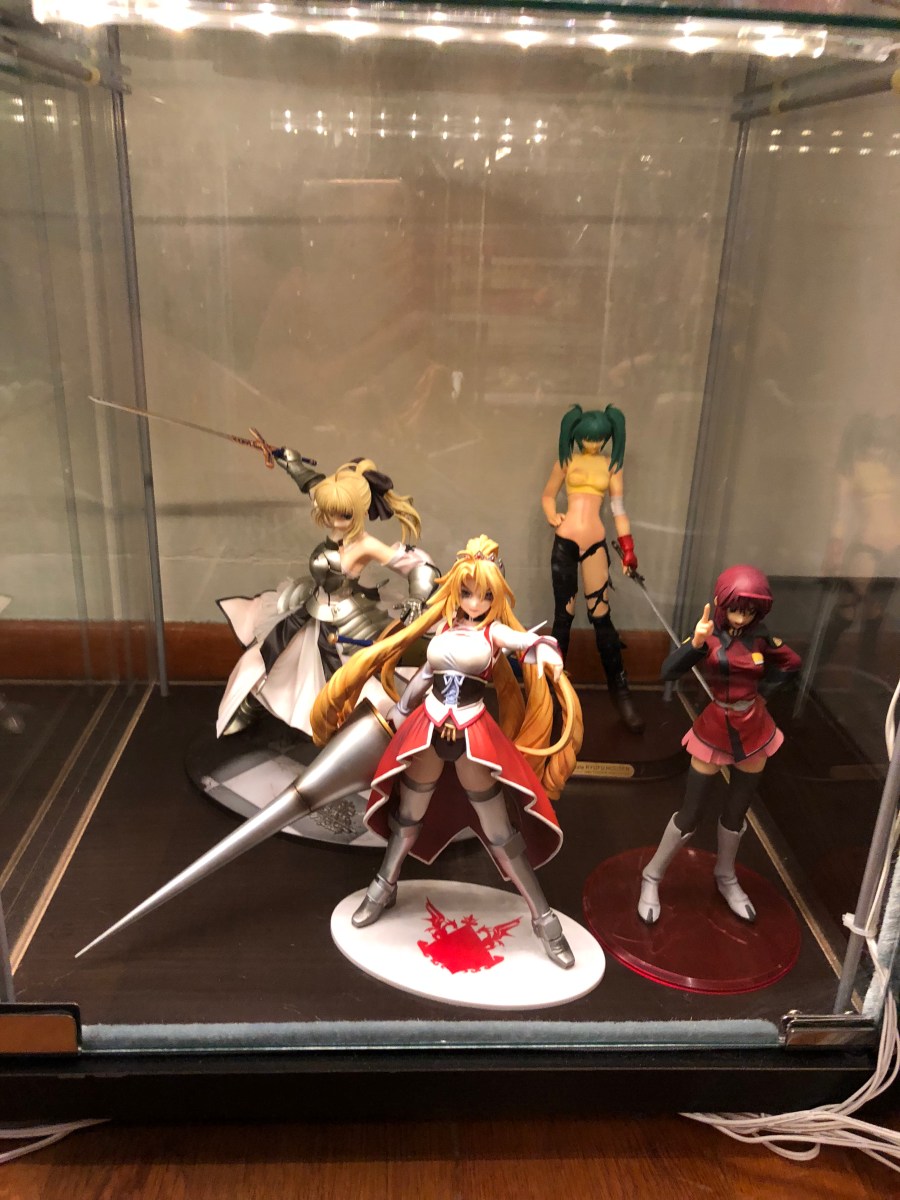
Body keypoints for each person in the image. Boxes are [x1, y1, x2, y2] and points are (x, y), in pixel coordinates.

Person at [311, 536, 583, 969]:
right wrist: (401, 710)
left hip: (473, 732)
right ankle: (383, 887)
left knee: (499, 831)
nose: (475, 602)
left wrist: (546, 652)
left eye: (485, 595)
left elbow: (527, 642)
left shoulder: (493, 632)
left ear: (496, 596)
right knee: (408, 816)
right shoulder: (443, 628)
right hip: (429, 726)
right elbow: (424, 675)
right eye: (468, 592)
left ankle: (544, 921)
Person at [217, 453, 438, 738]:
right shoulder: (334, 514)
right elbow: (313, 484)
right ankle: (251, 704)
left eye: (344, 515)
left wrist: (417, 596)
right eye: (330, 512)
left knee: (349, 681)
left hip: (347, 622)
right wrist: (288, 461)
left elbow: (417, 566)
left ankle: (360, 730)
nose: (336, 520)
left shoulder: (365, 544)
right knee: (273, 656)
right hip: (311, 607)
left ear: (358, 511)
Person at [638, 565, 801, 924]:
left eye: (748, 611)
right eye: (735, 609)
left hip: (754, 727)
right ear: (721, 603)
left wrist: (765, 694)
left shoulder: (761, 637)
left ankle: (726, 875)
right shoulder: (709, 633)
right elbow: (667, 671)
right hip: (715, 726)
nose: (741, 617)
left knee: (737, 811)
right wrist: (695, 643)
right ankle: (652, 875)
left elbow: (791, 662)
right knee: (691, 813)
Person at [541, 404, 644, 733]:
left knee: (602, 617)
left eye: (600, 438)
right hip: (565, 541)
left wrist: (628, 549)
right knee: (563, 618)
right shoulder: (566, 460)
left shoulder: (612, 465)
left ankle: (621, 693)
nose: (594, 443)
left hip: (596, 544)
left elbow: (619, 509)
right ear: (577, 436)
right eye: (588, 438)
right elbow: (547, 496)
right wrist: (551, 514)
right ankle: (550, 696)